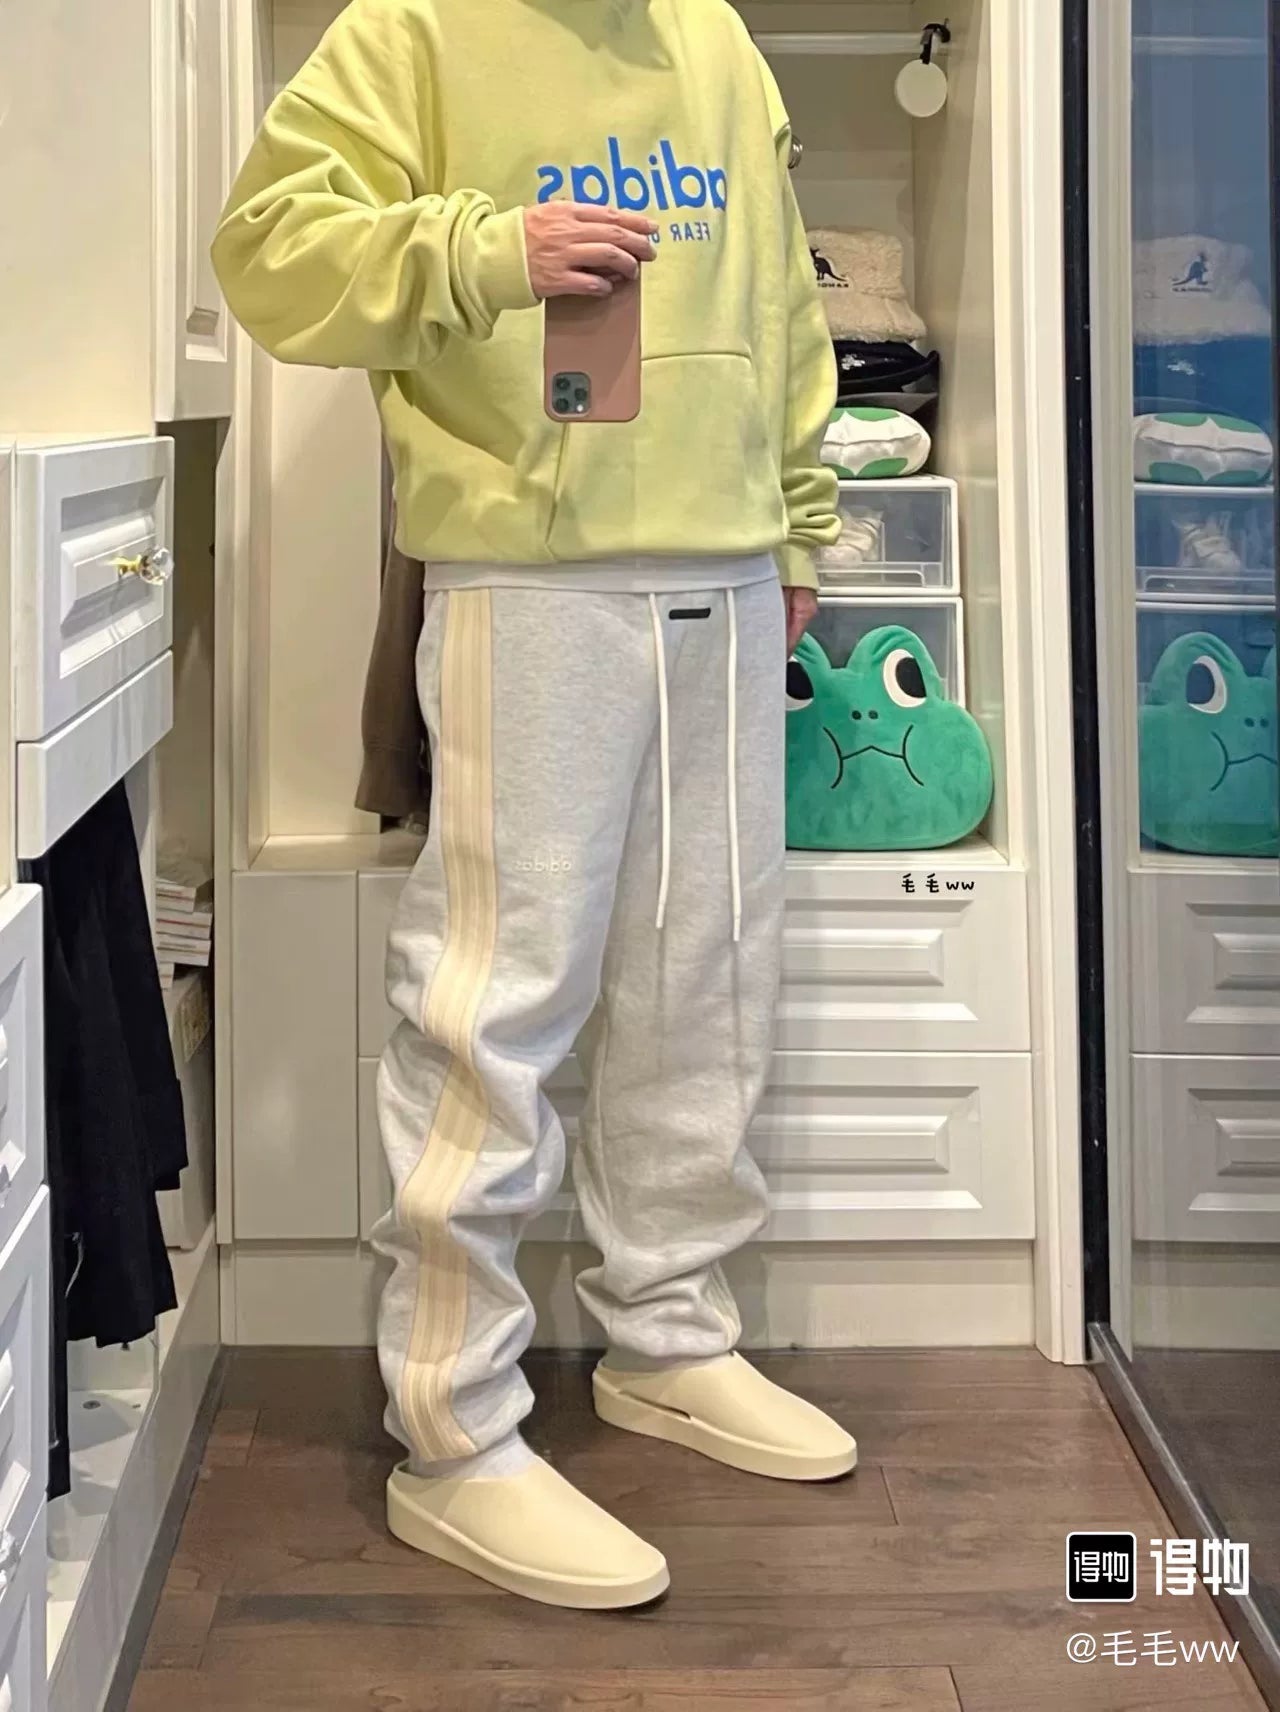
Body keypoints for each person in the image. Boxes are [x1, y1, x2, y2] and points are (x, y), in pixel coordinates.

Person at [213, 0, 855, 1611]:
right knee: (493, 999)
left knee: (706, 976)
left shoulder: (715, 37)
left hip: (725, 570)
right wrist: (484, 250)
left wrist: (797, 524)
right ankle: (453, 1431)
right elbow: (268, 254)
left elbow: (781, 301)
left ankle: (672, 1339)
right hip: (531, 574)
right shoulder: (414, 27)